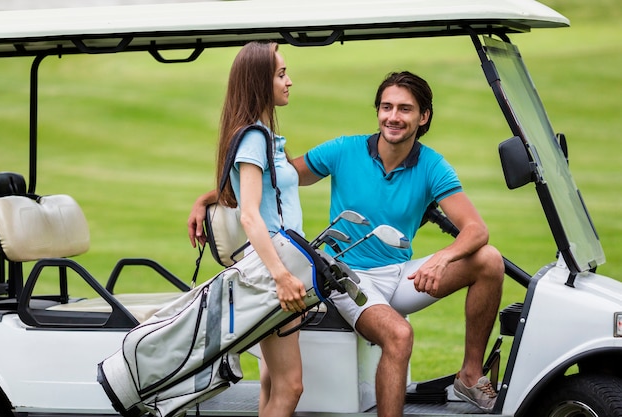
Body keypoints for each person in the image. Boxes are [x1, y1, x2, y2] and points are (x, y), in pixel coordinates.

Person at [189, 71, 504, 415]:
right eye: (386, 107)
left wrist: (443, 258)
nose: (393, 117)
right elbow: (274, 178)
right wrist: (208, 198)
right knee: (398, 336)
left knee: (489, 260)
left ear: (423, 117)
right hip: (347, 276)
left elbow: (476, 229)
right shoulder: (344, 150)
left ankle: (470, 376)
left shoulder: (432, 166)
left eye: (404, 109)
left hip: (400, 275)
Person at [193, 41, 307, 417]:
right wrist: (283, 277)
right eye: (281, 74)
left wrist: (203, 200)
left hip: (281, 263)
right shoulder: (255, 137)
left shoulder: (259, 134)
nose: (289, 81)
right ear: (260, 82)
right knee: (290, 386)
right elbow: (250, 215)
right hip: (274, 269)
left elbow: (238, 193)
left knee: (271, 381)